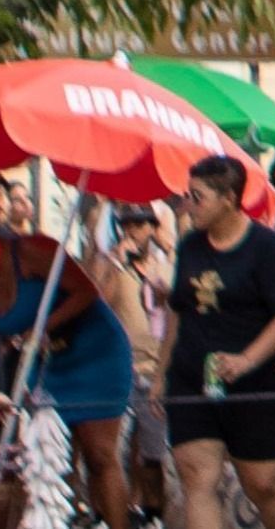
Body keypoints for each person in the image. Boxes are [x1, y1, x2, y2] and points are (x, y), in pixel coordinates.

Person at [0, 186, 136, 529]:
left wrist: (42, 328)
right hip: (47, 366)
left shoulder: (30, 249)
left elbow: (87, 290)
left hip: (97, 353)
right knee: (46, 457)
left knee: (99, 455)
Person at [162, 155, 275, 529]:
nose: (187, 205)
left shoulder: (266, 247)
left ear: (228, 198)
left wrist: (246, 360)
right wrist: (162, 374)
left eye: (197, 197)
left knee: (264, 483)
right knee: (197, 479)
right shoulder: (190, 246)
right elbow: (178, 309)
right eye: (186, 195)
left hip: (257, 381)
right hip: (192, 376)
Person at [103, 204, 174, 528]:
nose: (133, 231)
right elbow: (98, 300)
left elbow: (181, 313)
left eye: (140, 225)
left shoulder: (168, 266)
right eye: (127, 224)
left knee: (153, 452)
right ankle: (116, 513)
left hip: (155, 370)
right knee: (113, 451)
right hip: (120, 369)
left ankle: (154, 513)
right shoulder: (114, 265)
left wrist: (167, 296)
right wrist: (114, 259)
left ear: (152, 228)